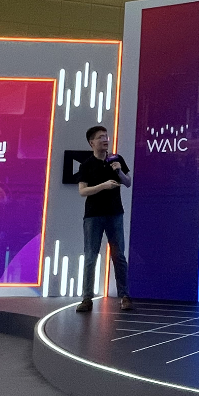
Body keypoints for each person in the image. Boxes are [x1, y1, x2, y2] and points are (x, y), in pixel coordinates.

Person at [76, 125, 132, 312]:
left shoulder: (116, 159)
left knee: (119, 255)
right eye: (100, 137)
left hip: (115, 213)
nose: (105, 140)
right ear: (92, 142)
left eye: (106, 136)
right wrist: (103, 186)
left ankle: (125, 296)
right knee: (90, 256)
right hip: (93, 216)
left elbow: (128, 182)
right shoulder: (86, 165)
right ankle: (87, 298)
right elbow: (83, 191)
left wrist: (119, 171)